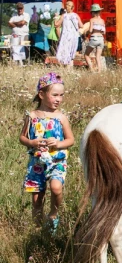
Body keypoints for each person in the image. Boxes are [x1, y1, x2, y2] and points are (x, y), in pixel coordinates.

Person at [19, 72, 75, 232]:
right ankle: (38, 230)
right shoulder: (31, 116)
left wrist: (58, 144)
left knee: (56, 188)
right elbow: (22, 137)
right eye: (55, 95)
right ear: (41, 94)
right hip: (36, 163)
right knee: (37, 199)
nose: (59, 99)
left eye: (61, 95)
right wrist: (31, 142)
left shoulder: (61, 118)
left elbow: (70, 140)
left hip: (56, 161)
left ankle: (53, 215)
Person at [55, 1, 83, 66]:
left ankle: (66, 68)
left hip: (66, 37)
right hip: (74, 37)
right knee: (71, 54)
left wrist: (56, 17)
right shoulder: (76, 15)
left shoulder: (64, 16)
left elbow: (56, 25)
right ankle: (70, 69)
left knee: (64, 53)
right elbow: (81, 25)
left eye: (67, 5)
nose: (66, 6)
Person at [83, 4, 106, 72]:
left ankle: (92, 70)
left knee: (86, 55)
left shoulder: (92, 20)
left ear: (93, 12)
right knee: (98, 56)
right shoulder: (102, 21)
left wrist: (87, 33)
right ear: (99, 12)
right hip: (101, 39)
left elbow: (90, 30)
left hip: (94, 38)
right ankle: (99, 71)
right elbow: (104, 32)